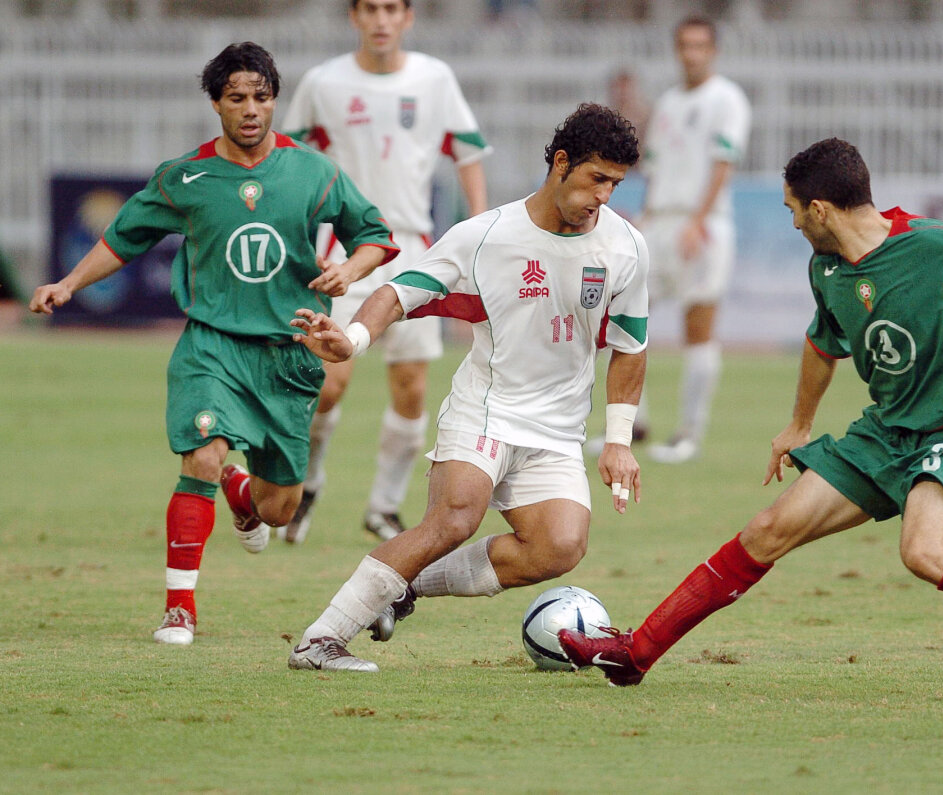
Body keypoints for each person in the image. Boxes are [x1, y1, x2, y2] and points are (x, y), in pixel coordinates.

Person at [558, 138, 943, 702]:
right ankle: (636, 654)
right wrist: (799, 425)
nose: (792, 222)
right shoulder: (827, 267)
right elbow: (823, 343)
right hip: (886, 432)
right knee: (768, 530)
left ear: (820, 210)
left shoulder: (940, 248)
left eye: (793, 210)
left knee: (924, 552)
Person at [29, 42, 398, 646]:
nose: (250, 109)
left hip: (288, 356)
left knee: (279, 509)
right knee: (201, 455)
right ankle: (179, 609)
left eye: (261, 97)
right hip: (213, 345)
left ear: (274, 101)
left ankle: (241, 491)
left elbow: (374, 234)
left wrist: (350, 270)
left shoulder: (313, 171)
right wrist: (68, 284)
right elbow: (123, 238)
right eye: (236, 98)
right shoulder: (185, 177)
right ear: (216, 104)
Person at [285, 103, 647, 672]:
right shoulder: (486, 236)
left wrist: (619, 441)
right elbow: (398, 292)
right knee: (455, 519)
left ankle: (403, 584)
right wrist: (352, 340)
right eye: (596, 178)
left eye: (615, 184)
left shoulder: (625, 247)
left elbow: (631, 346)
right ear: (560, 163)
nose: (604, 196)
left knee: (559, 547)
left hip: (557, 430)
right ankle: (320, 640)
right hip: (486, 410)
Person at [281, 0, 491, 545]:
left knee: (411, 385)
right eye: (370, 8)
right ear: (354, 16)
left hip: (413, 249)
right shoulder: (324, 82)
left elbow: (468, 154)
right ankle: (308, 485)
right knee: (329, 383)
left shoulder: (434, 79)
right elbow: (290, 164)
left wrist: (480, 232)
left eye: (391, 8)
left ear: (407, 17)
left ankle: (383, 506)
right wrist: (301, 238)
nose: (381, 19)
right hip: (343, 249)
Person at [638, 16, 751, 463]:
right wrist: (646, 216)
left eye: (700, 45)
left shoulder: (727, 98)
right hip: (660, 220)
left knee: (698, 327)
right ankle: (633, 425)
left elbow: (724, 163)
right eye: (685, 45)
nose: (691, 53)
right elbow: (654, 167)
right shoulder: (667, 102)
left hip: (704, 222)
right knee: (624, 315)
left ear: (713, 50)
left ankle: (689, 432)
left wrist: (698, 220)